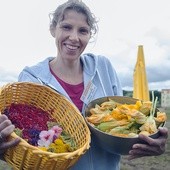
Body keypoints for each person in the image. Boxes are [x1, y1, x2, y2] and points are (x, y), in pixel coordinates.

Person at [0, 0, 168, 169]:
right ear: (53, 29)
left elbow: (124, 127)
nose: (74, 37)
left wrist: (150, 141)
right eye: (66, 27)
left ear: (89, 35)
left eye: (83, 31)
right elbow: (25, 143)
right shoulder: (31, 79)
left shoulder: (103, 68)